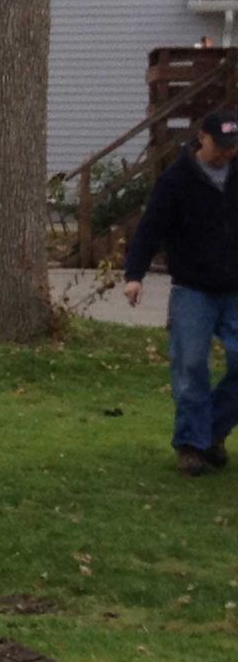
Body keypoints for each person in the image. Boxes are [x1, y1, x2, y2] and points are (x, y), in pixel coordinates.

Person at [122, 108, 238, 475]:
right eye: (221, 145)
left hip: (235, 288)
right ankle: (191, 445)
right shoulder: (177, 180)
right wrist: (134, 274)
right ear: (202, 137)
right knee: (191, 366)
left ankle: (212, 432)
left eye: (233, 146)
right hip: (192, 289)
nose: (227, 153)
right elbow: (150, 227)